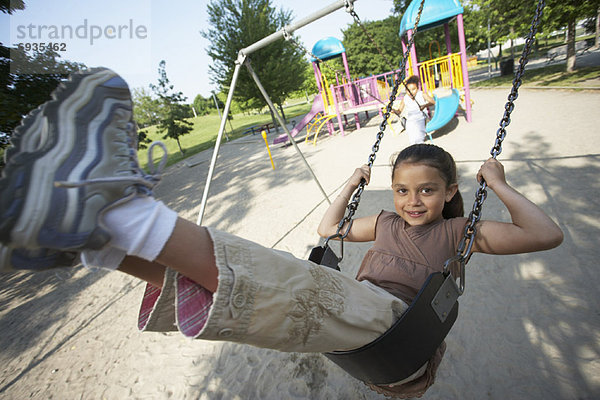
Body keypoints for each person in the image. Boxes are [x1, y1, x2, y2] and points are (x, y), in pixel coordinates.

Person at [0, 68, 563, 398]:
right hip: (356, 317)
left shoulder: (464, 232)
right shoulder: (385, 223)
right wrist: (349, 182)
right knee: (278, 283)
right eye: (403, 190)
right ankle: (92, 242)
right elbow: (328, 228)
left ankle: (116, 211)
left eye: (428, 191)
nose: (414, 201)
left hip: (401, 333)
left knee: (291, 283)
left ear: (448, 193)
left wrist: (500, 182)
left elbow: (545, 235)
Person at [394, 75, 435, 145]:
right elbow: (399, 111)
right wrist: (393, 111)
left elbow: (433, 102)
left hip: (421, 118)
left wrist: (424, 105)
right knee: (412, 139)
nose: (411, 92)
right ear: (406, 90)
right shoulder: (405, 98)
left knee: (419, 138)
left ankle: (420, 146)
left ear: (417, 88)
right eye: (408, 90)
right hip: (410, 120)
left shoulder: (421, 94)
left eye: (414, 89)